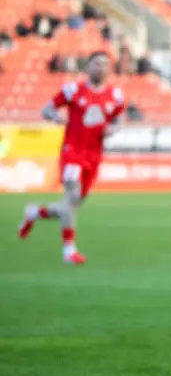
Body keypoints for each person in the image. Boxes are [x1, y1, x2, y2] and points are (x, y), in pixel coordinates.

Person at [18, 51, 125, 265]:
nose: (101, 68)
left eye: (105, 64)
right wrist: (56, 117)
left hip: (94, 156)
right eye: (97, 63)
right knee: (72, 196)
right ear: (88, 66)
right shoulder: (73, 90)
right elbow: (47, 109)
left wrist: (113, 128)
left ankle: (34, 212)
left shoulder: (116, 95)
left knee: (72, 205)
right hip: (72, 152)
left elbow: (118, 118)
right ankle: (69, 250)